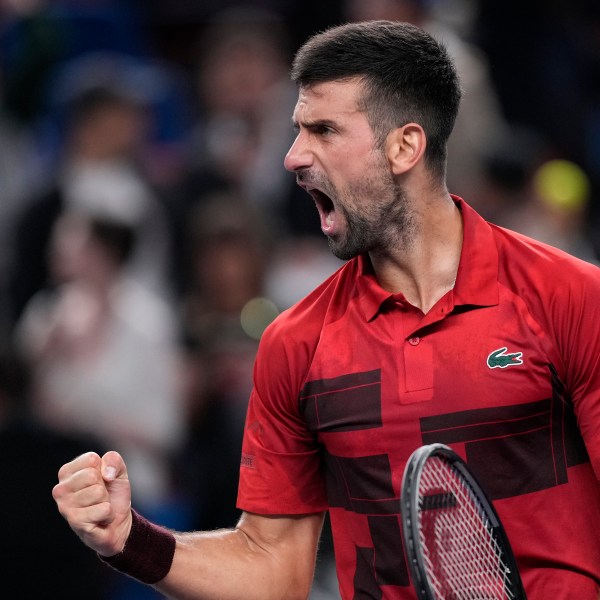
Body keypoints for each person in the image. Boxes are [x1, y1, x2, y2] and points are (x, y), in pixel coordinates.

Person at [52, 20, 600, 600]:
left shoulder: (569, 297)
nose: (292, 157)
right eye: (296, 131)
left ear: (405, 146)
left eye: (324, 130)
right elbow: (272, 568)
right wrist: (130, 538)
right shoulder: (296, 343)